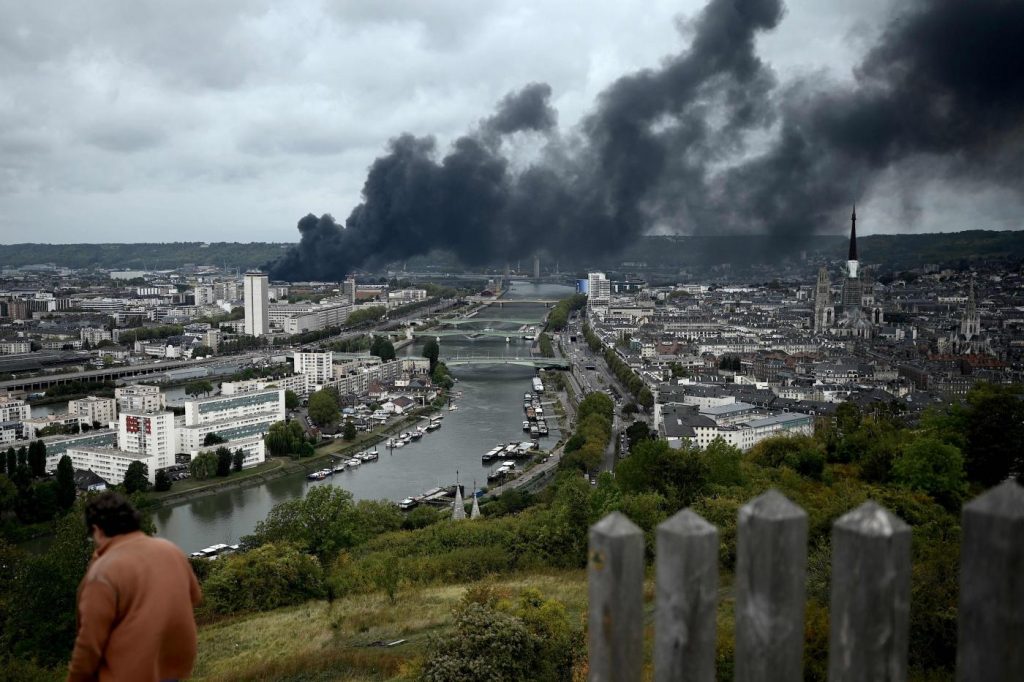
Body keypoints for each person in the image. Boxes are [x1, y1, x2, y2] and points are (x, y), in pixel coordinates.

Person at [68, 491, 202, 682]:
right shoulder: (170, 550)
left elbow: (89, 644)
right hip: (171, 673)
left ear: (97, 530)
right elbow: (195, 598)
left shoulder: (102, 573)